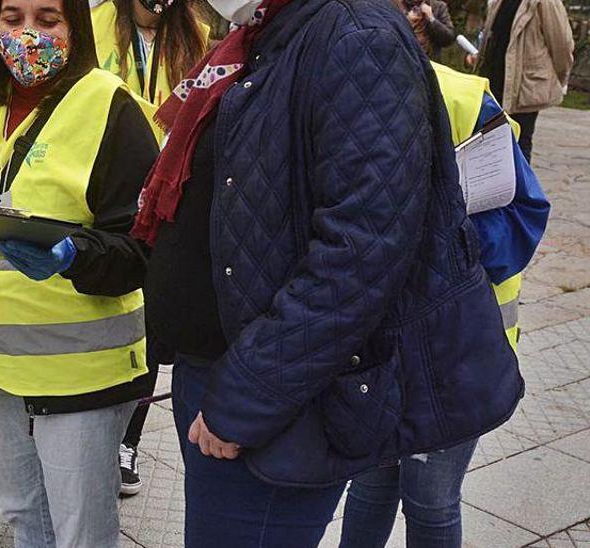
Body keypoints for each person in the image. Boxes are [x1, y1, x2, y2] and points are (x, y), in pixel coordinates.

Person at [121, 0, 525, 542]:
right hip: (233, 376)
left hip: (276, 398)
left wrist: (246, 397)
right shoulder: (275, 31)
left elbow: (362, 251)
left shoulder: (355, 36)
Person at [0, 0, 159, 545]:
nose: (27, 34)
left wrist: (74, 256)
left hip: (83, 371)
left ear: (77, 28)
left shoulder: (112, 108)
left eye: (48, 20)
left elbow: (143, 249)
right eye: (12, 18)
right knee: (22, 513)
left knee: (80, 528)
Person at [339, 61, 549, 548]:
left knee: (430, 498)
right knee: (369, 484)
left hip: (460, 347)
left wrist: (434, 248)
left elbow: (524, 217)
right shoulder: (337, 88)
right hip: (376, 349)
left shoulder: (463, 99)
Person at [86, 0, 210, 497]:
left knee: (152, 324)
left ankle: (126, 443)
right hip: (109, 185)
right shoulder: (90, 25)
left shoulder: (197, 33)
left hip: (170, 197)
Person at [468, 0, 575, 161]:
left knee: (519, 144)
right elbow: (493, 38)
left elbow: (562, 45)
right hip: (494, 83)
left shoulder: (546, 3)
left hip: (525, 86)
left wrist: (559, 77)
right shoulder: (498, 2)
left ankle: (522, 186)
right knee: (491, 145)